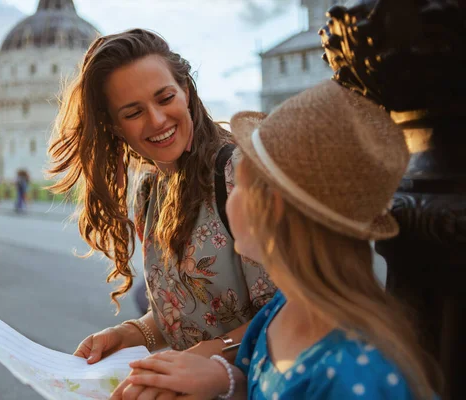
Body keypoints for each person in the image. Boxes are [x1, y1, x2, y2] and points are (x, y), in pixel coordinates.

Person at [119, 81, 442, 399]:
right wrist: (223, 379)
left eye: (241, 184)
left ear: (271, 209)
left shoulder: (354, 373)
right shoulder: (282, 308)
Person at [47, 28, 276, 396]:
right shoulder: (149, 191)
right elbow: (189, 312)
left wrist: (208, 358)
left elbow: (291, 310)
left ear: (186, 90)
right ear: (114, 127)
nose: (156, 120)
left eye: (165, 97)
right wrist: (130, 334)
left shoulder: (240, 173)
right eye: (133, 112)